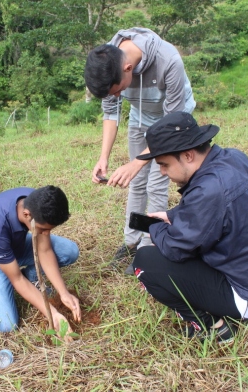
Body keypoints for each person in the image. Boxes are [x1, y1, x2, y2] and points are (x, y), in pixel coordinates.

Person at [131, 112, 248, 344]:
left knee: (146, 260)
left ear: (187, 155)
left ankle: (213, 328)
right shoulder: (233, 158)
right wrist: (172, 216)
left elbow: (176, 249)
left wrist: (155, 229)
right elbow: (219, 209)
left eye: (164, 165)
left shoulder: (208, 190)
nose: (163, 173)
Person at [83, 27, 196, 273]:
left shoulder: (169, 61)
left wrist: (137, 162)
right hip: (140, 117)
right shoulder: (108, 63)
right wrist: (104, 158)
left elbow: (172, 122)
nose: (119, 94)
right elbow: (111, 113)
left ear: (128, 69)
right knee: (136, 183)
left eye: (119, 90)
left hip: (171, 117)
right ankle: (131, 241)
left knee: (156, 182)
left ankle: (149, 244)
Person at [0, 185, 81, 335]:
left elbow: (45, 250)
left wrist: (63, 293)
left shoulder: (36, 201)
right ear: (27, 215)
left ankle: (31, 280)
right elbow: (17, 279)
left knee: (69, 251)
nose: (46, 234)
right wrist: (52, 314)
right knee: (6, 325)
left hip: (14, 244)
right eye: (42, 229)